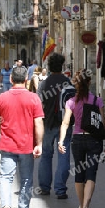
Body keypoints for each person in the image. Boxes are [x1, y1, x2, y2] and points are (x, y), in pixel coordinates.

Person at [0, 66, 44, 208]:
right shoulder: (33, 98)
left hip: (7, 144)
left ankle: (5, 205)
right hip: (26, 145)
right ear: (26, 80)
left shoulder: (2, 98)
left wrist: (2, 132)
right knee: (26, 179)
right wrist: (39, 144)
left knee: (5, 177)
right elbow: (38, 123)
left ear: (10, 79)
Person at [58, 69, 105, 208]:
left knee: (79, 172)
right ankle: (85, 206)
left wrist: (61, 140)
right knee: (91, 173)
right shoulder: (97, 100)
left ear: (76, 83)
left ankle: (81, 205)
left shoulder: (71, 101)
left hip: (77, 139)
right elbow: (102, 122)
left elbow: (65, 123)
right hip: (93, 140)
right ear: (90, 82)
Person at [37, 52, 73, 199]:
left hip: (47, 124)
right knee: (63, 155)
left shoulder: (44, 84)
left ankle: (45, 187)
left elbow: (39, 105)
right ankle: (60, 189)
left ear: (50, 67)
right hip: (65, 123)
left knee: (46, 155)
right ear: (62, 66)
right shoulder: (68, 82)